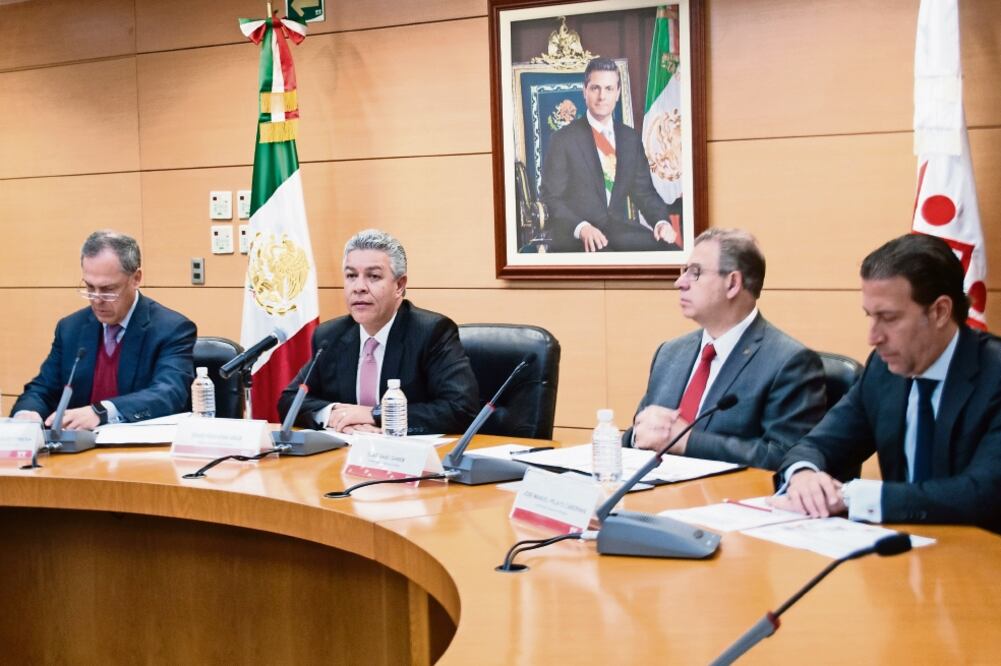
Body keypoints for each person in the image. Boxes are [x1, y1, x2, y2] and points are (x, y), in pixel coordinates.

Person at [772, 234, 1001, 533]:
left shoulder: (994, 374)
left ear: (940, 311)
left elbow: (983, 494)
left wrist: (853, 497)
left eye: (889, 318)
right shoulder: (884, 369)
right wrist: (804, 475)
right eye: (870, 316)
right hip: (901, 555)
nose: (873, 337)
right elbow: (818, 444)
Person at [627, 229, 827, 470]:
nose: (679, 282)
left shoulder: (789, 362)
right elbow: (643, 433)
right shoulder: (670, 354)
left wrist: (689, 442)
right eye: (684, 271)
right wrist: (632, 437)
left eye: (695, 273)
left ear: (732, 283)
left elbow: (785, 457)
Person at [278, 229, 479, 434]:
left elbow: (461, 409)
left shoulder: (431, 332)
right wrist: (336, 413)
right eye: (351, 276)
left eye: (373, 276)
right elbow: (290, 400)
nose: (359, 287)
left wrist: (374, 415)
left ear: (399, 285)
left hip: (408, 458)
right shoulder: (330, 336)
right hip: (346, 455)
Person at [12, 230, 197, 428]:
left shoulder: (171, 329)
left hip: (139, 451)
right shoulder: (70, 328)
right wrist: (27, 414)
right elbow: (42, 389)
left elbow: (169, 393)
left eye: (108, 290)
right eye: (90, 288)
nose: (97, 300)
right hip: (77, 450)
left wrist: (101, 412)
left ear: (136, 278)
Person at [540, 57, 682, 253]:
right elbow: (551, 198)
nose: (602, 96)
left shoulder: (630, 138)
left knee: (672, 252)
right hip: (575, 237)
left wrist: (661, 222)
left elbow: (645, 192)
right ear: (585, 91)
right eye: (595, 88)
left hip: (617, 232)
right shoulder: (563, 139)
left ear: (618, 93)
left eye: (608, 89)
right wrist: (581, 228)